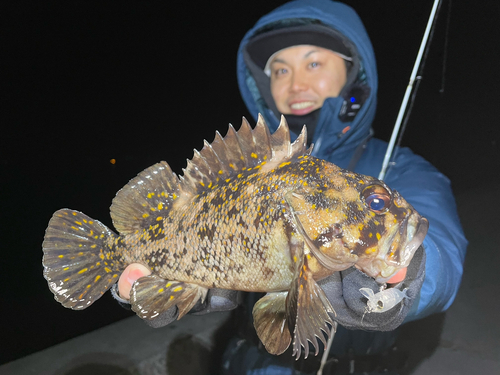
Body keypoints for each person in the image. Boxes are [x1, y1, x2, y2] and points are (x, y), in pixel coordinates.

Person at [113, 0, 467, 373]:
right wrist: (149, 285)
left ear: (354, 74)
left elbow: (444, 259)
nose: (296, 84)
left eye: (314, 63)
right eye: (280, 69)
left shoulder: (406, 169)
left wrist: (413, 276)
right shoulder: (253, 164)